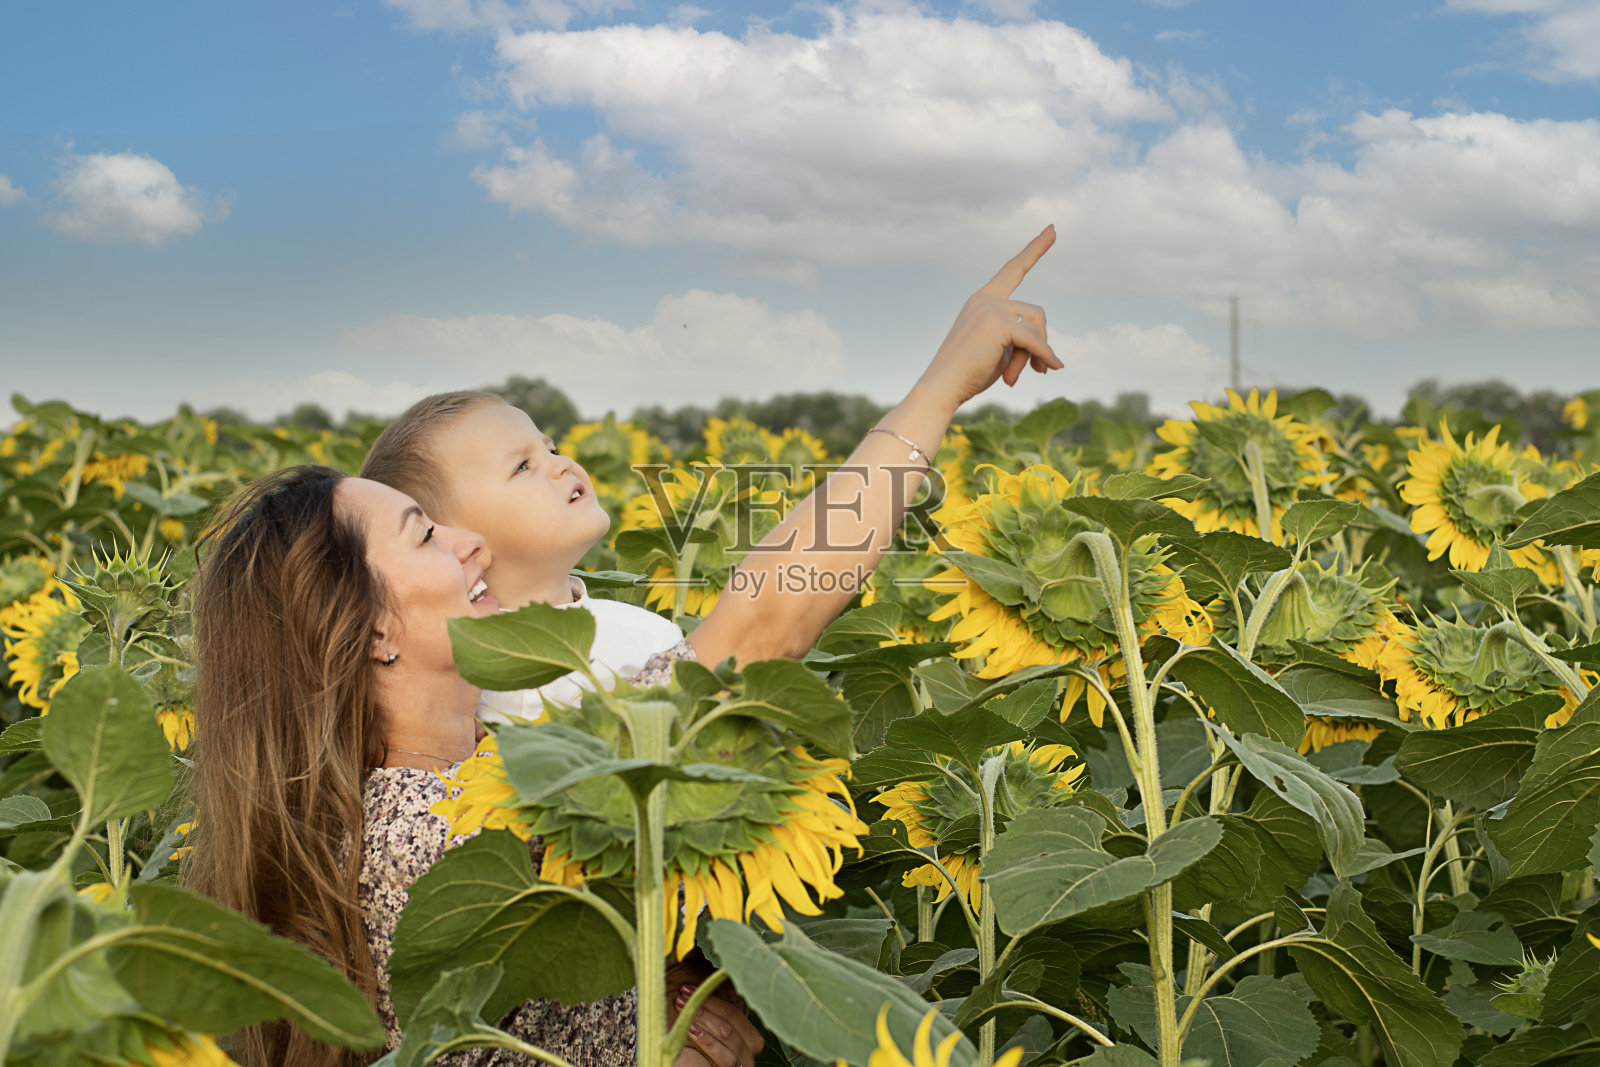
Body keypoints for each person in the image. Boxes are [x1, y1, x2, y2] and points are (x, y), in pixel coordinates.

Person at [183, 465, 764, 1067]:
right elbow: (753, 638)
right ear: (373, 629)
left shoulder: (468, 766)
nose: (474, 543)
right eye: (426, 535)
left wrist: (669, 993)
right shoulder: (431, 836)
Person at [358, 227, 1061, 717]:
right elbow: (762, 626)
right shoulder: (490, 687)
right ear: (458, 544)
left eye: (549, 446)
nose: (559, 463)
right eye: (521, 466)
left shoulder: (630, 625)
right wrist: (942, 385)